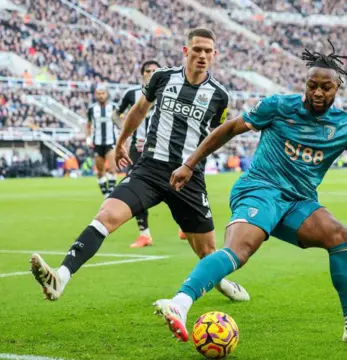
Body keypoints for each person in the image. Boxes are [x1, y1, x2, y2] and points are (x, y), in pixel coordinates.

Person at [151, 42, 347, 345]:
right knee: (240, 250)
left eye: (326, 87)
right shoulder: (278, 106)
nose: (318, 93)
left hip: (298, 202)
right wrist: (190, 163)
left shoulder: (344, 126)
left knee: (339, 236)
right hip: (260, 190)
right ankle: (180, 302)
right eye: (312, 85)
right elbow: (228, 129)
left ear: (337, 89)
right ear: (305, 84)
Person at [29, 27, 249, 303]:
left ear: (214, 55)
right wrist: (122, 140)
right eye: (197, 49)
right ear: (186, 51)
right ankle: (60, 277)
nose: (202, 56)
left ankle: (222, 283)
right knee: (106, 216)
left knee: (207, 253)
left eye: (208, 51)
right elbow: (140, 110)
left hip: (189, 178)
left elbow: (215, 137)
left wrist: (192, 164)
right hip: (150, 170)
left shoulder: (220, 96)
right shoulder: (162, 78)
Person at [114, 60, 160, 248]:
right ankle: (144, 233)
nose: (151, 73)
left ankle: (185, 225)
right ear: (142, 74)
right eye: (147, 71)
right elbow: (115, 114)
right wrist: (125, 132)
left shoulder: (170, 93)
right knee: (136, 188)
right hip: (138, 149)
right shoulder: (132, 94)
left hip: (164, 149)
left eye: (154, 71)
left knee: (175, 187)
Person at [87, 85, 118, 198]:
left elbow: (120, 122)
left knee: (111, 168)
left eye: (102, 93)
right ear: (96, 95)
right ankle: (105, 193)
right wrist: (88, 137)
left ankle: (110, 193)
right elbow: (88, 125)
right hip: (97, 143)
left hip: (111, 142)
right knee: (100, 171)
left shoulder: (114, 107)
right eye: (98, 94)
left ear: (107, 94)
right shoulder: (91, 109)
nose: (101, 96)